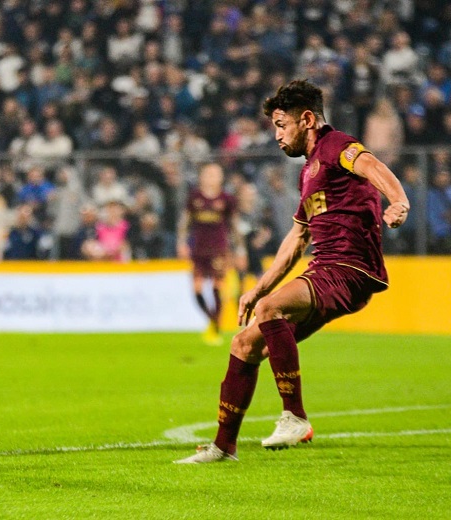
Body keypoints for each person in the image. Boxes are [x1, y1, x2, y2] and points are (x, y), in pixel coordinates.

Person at [175, 80, 409, 464]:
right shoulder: (308, 173)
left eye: (282, 125)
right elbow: (297, 238)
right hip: (326, 270)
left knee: (271, 309)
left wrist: (398, 201)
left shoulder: (337, 146)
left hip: (348, 267)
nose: (278, 135)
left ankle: (295, 417)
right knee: (244, 344)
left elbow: (372, 165)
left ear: (307, 119)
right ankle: (223, 446)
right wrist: (257, 289)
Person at [177, 162, 244, 346]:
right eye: (208, 174)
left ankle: (215, 327)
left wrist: (240, 250)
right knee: (197, 289)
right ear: (201, 177)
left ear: (221, 178)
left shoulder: (227, 199)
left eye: (215, 174)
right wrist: (181, 242)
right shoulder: (194, 198)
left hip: (218, 249)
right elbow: (185, 222)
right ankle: (212, 320)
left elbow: (235, 226)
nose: (211, 178)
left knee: (217, 286)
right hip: (198, 249)